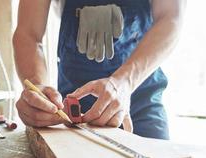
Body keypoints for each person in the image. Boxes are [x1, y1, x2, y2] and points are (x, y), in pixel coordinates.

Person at [13, 0, 186, 140]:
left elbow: (171, 18)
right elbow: (28, 34)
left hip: (141, 102)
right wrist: (37, 88)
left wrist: (124, 82)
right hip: (71, 110)